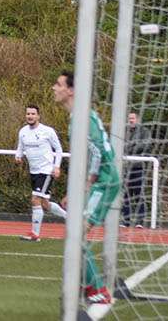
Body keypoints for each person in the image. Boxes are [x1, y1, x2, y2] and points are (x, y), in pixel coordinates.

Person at [53, 70, 120, 306]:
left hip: (104, 181)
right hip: (102, 180)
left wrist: (86, 184)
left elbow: (97, 152)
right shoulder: (79, 116)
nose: (54, 88)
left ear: (70, 90)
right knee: (74, 233)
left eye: (58, 84)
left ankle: (96, 289)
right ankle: (87, 286)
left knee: (75, 233)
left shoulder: (80, 117)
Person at [14, 104, 67, 242]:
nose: (30, 116)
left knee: (35, 199)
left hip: (46, 171)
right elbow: (20, 146)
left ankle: (35, 234)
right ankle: (70, 219)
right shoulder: (23, 131)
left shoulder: (47, 131)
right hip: (34, 171)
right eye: (28, 114)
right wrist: (18, 155)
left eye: (33, 114)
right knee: (45, 204)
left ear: (38, 116)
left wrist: (57, 167)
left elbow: (59, 149)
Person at [122, 111, 150, 228]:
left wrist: (130, 147)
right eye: (129, 118)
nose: (131, 120)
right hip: (126, 167)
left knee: (139, 195)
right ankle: (126, 221)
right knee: (126, 195)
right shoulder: (124, 131)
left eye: (133, 118)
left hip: (139, 167)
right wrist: (132, 146)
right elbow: (121, 145)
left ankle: (139, 222)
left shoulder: (145, 131)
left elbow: (144, 145)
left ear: (137, 119)